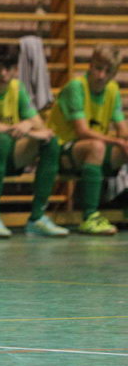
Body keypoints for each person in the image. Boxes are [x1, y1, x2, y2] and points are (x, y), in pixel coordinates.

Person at [0, 43, 67, 238]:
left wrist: (28, 124)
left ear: (15, 70)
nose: (3, 74)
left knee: (50, 142)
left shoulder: (17, 88)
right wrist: (28, 131)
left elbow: (40, 126)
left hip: (7, 151)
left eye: (8, 69)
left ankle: (37, 218)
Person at [47, 43, 127, 235]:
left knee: (105, 147)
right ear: (90, 65)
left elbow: (122, 128)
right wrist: (117, 141)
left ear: (114, 74)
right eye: (98, 68)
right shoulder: (76, 87)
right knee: (96, 147)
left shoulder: (113, 90)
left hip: (93, 148)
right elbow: (82, 131)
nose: (101, 75)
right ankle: (90, 216)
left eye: (108, 71)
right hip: (60, 150)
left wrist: (124, 140)